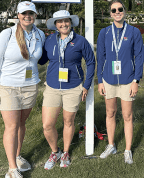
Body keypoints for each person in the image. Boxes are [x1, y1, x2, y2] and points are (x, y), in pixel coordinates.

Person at [0, 1, 45, 178]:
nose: (27, 16)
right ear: (18, 15)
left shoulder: (40, 34)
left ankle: (17, 155)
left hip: (30, 86)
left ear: (35, 15)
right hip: (8, 87)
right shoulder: (7, 34)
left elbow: (41, 58)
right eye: (24, 13)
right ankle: (12, 168)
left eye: (31, 13)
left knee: (21, 124)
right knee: (12, 126)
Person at [39, 10, 95, 169]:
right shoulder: (49, 40)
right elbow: (42, 59)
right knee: (47, 125)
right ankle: (54, 151)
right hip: (52, 87)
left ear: (71, 22)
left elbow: (91, 62)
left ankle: (65, 152)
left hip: (73, 87)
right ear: (55, 25)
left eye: (66, 21)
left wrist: (86, 85)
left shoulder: (80, 41)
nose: (63, 24)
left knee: (68, 121)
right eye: (60, 21)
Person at [96, 0, 144, 164]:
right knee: (110, 113)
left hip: (127, 80)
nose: (117, 12)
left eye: (120, 9)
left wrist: (136, 80)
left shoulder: (133, 31)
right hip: (108, 80)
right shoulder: (104, 33)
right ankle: (111, 145)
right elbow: (100, 57)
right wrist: (99, 81)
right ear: (110, 13)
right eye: (114, 10)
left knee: (127, 115)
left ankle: (128, 149)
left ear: (124, 11)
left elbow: (139, 57)